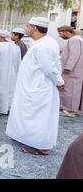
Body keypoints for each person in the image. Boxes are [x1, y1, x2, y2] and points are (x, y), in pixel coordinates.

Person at [6, 17, 65, 155]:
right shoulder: (45, 42)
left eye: (27, 26)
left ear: (34, 28)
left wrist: (59, 82)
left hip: (39, 88)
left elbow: (49, 68)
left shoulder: (43, 45)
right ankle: (24, 137)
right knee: (28, 113)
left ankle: (41, 146)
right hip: (32, 86)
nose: (26, 29)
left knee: (38, 117)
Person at [0, 30, 21, 116]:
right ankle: (8, 109)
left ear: (1, 37)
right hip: (13, 73)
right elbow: (19, 62)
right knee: (10, 90)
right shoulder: (16, 47)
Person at [57, 25, 82, 117]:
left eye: (60, 33)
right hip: (74, 71)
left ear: (66, 32)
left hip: (72, 71)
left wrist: (68, 67)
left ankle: (70, 111)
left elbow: (74, 55)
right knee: (71, 90)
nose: (60, 35)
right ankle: (68, 109)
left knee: (71, 90)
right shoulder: (76, 39)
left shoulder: (74, 40)